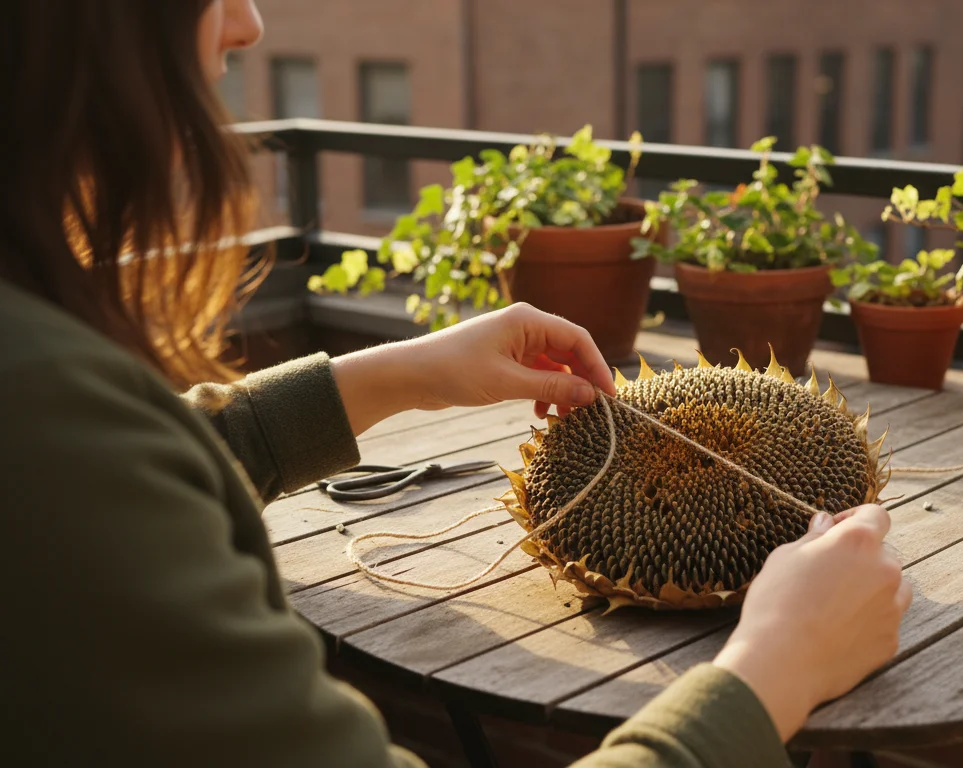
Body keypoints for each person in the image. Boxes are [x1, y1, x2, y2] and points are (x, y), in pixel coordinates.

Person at [0, 1, 914, 766]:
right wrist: (776, 666)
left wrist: (401, 372)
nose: (248, 22)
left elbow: (138, 459)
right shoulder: (48, 444)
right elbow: (97, 475)